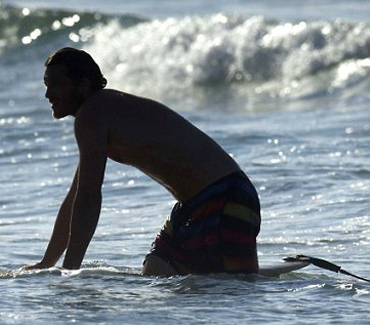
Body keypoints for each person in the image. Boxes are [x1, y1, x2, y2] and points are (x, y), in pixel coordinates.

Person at [22, 47, 261, 276]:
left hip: (225, 198)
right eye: (46, 85)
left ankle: (241, 272)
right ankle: (231, 269)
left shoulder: (92, 115)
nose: (48, 94)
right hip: (200, 204)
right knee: (157, 268)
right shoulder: (101, 112)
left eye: (56, 85)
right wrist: (48, 263)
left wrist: (70, 269)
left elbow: (89, 197)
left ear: (83, 86)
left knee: (226, 285)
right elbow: (78, 195)